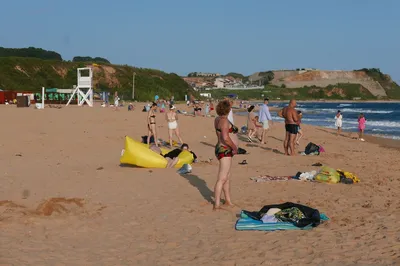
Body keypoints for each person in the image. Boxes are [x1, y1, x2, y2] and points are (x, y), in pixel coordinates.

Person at [213, 99, 238, 210]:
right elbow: (226, 138)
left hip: (221, 148)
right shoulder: (224, 121)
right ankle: (217, 204)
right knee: (222, 178)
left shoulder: (217, 119)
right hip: (225, 150)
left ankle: (228, 200)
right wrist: (234, 147)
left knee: (226, 177)